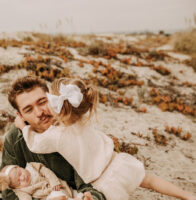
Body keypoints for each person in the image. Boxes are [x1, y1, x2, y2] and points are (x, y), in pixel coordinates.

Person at [15, 77, 196, 200]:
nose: (42, 110)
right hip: (120, 163)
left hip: (104, 182)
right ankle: (188, 196)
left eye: (46, 101)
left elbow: (34, 144)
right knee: (151, 181)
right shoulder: (82, 117)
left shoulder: (55, 136)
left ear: (56, 106)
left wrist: (23, 126)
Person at [0, 76, 106, 200]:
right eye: (29, 109)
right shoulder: (15, 137)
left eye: (42, 102)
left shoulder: (74, 131)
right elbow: (6, 187)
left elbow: (94, 186)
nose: (39, 113)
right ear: (20, 116)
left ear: (51, 97)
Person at [0, 162, 85, 200]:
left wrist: (54, 183)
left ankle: (81, 197)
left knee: (75, 193)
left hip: (57, 187)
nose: (22, 178)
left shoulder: (32, 167)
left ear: (20, 167)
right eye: (19, 182)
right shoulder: (21, 191)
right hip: (49, 196)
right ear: (16, 187)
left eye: (20, 173)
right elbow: (25, 198)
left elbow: (47, 172)